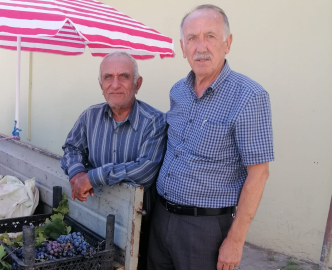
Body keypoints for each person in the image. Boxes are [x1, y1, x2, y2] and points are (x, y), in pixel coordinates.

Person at [148, 4, 274, 270]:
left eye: (210, 36)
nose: (200, 46)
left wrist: (236, 241)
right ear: (182, 48)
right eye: (192, 38)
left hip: (204, 230)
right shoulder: (178, 92)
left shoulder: (249, 97)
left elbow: (259, 174)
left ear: (227, 43)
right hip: (161, 218)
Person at [60, 51, 167, 269]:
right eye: (108, 77)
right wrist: (76, 173)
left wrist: (92, 177)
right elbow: (71, 147)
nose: (115, 84)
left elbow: (145, 171)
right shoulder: (90, 116)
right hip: (96, 215)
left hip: (138, 224)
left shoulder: (154, 121)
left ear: (137, 83)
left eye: (124, 77)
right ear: (101, 84)